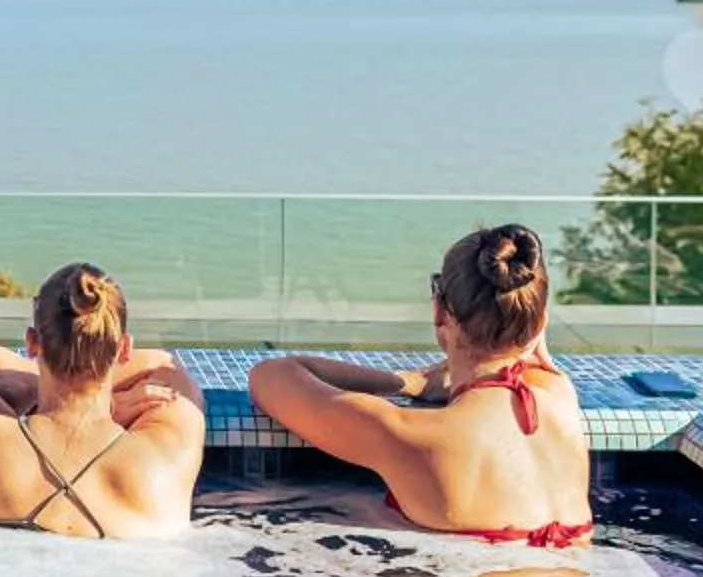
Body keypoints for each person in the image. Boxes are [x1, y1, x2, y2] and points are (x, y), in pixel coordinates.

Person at [248, 224, 593, 546]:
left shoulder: (413, 436)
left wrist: (408, 382)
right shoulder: (561, 398)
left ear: (440, 312)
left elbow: (270, 376)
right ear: (539, 325)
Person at [0, 262, 206, 539]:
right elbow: (162, 364)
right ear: (124, 349)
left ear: (32, 342)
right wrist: (106, 398)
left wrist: (32, 384)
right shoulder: (165, 454)